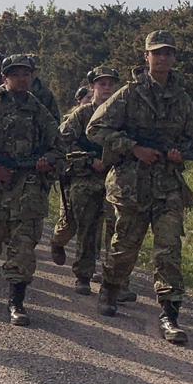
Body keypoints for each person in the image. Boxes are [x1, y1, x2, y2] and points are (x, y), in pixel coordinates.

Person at [88, 31, 193, 344]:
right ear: (146, 57)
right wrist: (133, 148)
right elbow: (96, 128)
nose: (163, 58)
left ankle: (170, 314)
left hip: (167, 186)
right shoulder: (129, 94)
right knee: (124, 247)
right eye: (157, 53)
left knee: (169, 250)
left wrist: (183, 151)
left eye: (168, 53)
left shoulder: (181, 98)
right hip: (132, 184)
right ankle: (110, 289)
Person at [0, 55, 63, 326]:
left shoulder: (39, 111)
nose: (21, 78)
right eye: (15, 74)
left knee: (24, 249)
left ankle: (16, 302)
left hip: (28, 191)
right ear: (5, 78)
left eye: (26, 74)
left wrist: (46, 161)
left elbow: (60, 147)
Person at [51, 66, 119, 294]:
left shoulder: (121, 114)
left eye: (110, 84)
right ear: (93, 87)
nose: (107, 88)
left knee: (117, 230)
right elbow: (63, 142)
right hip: (85, 178)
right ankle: (83, 275)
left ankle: (115, 281)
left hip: (115, 179)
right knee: (87, 228)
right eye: (102, 84)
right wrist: (89, 161)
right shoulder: (81, 114)